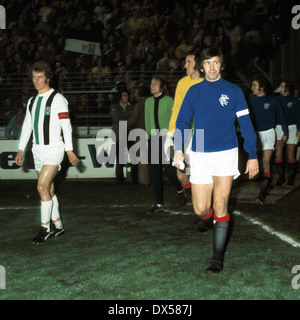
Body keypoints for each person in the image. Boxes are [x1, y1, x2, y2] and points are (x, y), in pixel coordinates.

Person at [174, 47, 259, 274]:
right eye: (207, 63)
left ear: (222, 65)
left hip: (226, 153)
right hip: (200, 150)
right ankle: (208, 218)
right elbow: (182, 123)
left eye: (216, 62)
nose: (212, 67)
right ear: (201, 66)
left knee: (221, 204)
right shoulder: (194, 92)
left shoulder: (234, 91)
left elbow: (247, 124)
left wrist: (252, 155)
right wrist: (178, 150)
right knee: (201, 209)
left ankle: (217, 259)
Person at [15, 61, 80, 244]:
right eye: (34, 77)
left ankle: (45, 228)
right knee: (49, 189)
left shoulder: (58, 99)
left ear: (48, 78)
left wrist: (69, 150)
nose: (36, 80)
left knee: (41, 187)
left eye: (40, 77)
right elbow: (27, 127)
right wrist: (21, 149)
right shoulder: (32, 101)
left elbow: (66, 126)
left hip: (54, 149)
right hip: (37, 150)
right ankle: (58, 226)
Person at [163, 51, 205, 229]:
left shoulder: (207, 83)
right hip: (185, 132)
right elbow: (177, 109)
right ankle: (197, 202)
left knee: (200, 174)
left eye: (188, 62)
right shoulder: (182, 83)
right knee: (182, 174)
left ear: (198, 63)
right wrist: (171, 133)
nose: (185, 66)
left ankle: (200, 210)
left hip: (203, 133)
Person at [145, 75, 187, 214]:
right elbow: (147, 121)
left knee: (169, 171)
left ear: (162, 86)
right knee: (154, 172)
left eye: (155, 83)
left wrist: (173, 138)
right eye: (151, 83)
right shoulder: (148, 102)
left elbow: (175, 120)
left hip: (166, 139)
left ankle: (181, 189)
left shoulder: (169, 101)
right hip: (153, 139)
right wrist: (147, 138)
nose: (152, 86)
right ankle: (158, 204)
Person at [249, 74, 288, 204]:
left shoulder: (273, 101)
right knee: (260, 163)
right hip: (256, 135)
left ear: (262, 87)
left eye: (254, 85)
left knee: (266, 162)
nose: (251, 87)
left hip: (269, 134)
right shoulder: (251, 102)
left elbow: (281, 117)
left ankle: (262, 195)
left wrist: (285, 133)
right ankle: (268, 179)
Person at [109, 88, 137, 184]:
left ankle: (134, 178)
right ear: (120, 97)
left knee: (133, 156)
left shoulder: (130, 107)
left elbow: (129, 118)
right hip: (120, 133)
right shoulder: (116, 107)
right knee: (120, 157)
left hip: (129, 132)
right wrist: (128, 118)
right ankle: (120, 179)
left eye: (127, 95)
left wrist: (124, 118)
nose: (126, 97)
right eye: (124, 95)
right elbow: (118, 118)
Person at [276, 80, 300, 187]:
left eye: (282, 87)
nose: (280, 89)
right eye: (280, 86)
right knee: (278, 154)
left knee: (291, 154)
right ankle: (281, 178)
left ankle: (290, 179)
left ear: (287, 89)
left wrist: (299, 131)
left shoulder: (295, 100)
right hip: (279, 127)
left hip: (292, 127)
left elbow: (298, 117)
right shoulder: (276, 100)